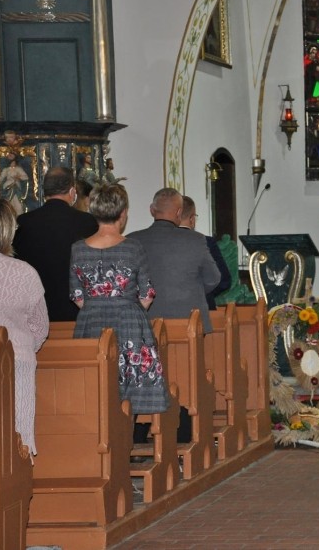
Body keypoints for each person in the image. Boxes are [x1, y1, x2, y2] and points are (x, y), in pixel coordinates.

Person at [69, 184, 169, 445]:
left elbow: (77, 296)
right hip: (128, 323)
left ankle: (99, 445)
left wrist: (98, 306)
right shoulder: (133, 248)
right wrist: (126, 308)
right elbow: (147, 293)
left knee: (95, 387)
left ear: (94, 211)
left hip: (90, 322)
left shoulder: (78, 248)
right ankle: (125, 446)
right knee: (128, 391)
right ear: (123, 213)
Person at [0, 198, 49, 525]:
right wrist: (21, 350)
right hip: (16, 366)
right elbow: (39, 327)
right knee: (13, 446)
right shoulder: (25, 273)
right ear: (9, 231)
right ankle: (9, 527)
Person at [128, 188, 221, 333]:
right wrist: (192, 291)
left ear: (152, 210)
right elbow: (213, 279)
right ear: (179, 213)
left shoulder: (132, 240)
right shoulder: (195, 239)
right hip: (189, 322)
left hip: (147, 323)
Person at [12, 167, 99, 321]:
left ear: (44, 192)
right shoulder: (87, 222)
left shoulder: (24, 222)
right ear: (72, 192)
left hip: (35, 311)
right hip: (76, 310)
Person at [180, 196, 232, 310]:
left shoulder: (159, 243)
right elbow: (224, 280)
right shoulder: (206, 242)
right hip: (203, 309)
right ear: (192, 219)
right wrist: (204, 295)